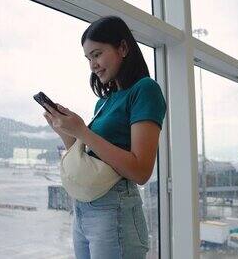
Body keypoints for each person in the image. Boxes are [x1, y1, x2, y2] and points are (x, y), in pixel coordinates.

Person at [42, 16, 166, 259]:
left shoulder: (145, 90)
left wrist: (83, 132)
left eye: (97, 54)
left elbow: (141, 171)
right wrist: (63, 129)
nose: (93, 65)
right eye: (88, 58)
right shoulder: (105, 101)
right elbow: (90, 156)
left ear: (123, 48)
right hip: (83, 210)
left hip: (114, 210)